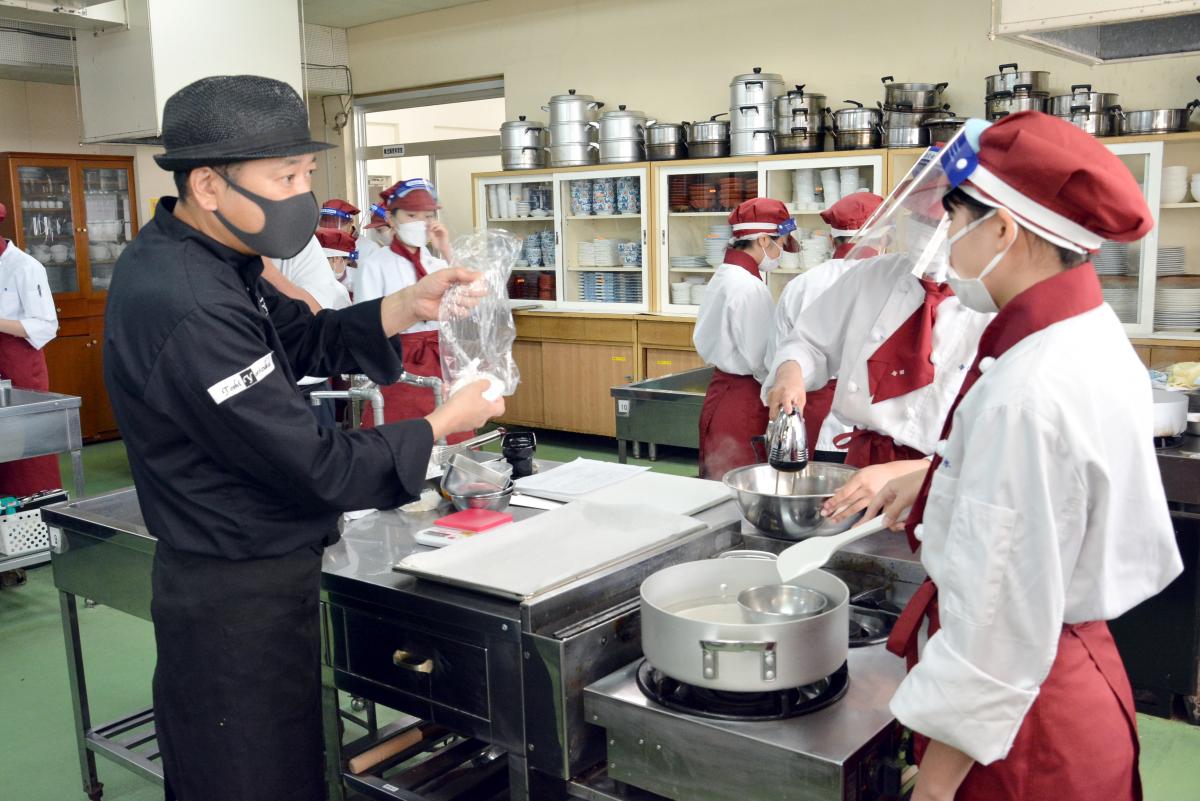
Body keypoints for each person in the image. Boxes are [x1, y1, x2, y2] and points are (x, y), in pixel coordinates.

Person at [102, 75, 503, 801]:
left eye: (306, 174)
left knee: (286, 761)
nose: (301, 195)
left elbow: (306, 337)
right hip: (229, 596)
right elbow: (317, 465)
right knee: (248, 775)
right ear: (209, 184)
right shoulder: (187, 302)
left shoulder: (217, 261)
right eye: (282, 176)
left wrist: (408, 302)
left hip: (265, 576)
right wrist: (442, 424)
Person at [863, 112, 1182, 801]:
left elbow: (996, 631)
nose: (946, 243)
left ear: (1002, 228)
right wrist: (936, 472)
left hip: (1024, 741)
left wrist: (936, 784)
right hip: (1078, 684)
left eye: (954, 222)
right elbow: (1065, 487)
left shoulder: (1026, 391)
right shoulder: (1086, 334)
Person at [763, 163, 993, 522]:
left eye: (935, 223)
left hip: (940, 478)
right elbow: (808, 340)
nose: (923, 232)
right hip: (861, 463)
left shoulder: (992, 303)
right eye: (917, 218)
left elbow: (996, 441)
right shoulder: (872, 276)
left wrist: (908, 473)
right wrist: (791, 371)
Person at [764, 192, 883, 461]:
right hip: (871, 423)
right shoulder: (893, 284)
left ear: (831, 239)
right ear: (882, 239)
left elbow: (777, 355)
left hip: (807, 419)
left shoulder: (801, 284)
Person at [355, 178, 472, 442]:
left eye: (428, 215)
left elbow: (470, 301)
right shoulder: (375, 264)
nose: (421, 222)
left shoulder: (436, 263)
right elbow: (365, 324)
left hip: (441, 360)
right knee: (403, 440)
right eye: (411, 215)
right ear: (391, 218)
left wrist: (446, 249)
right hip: (397, 362)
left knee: (450, 438)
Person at [693, 197, 793, 479]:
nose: (781, 250)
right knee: (741, 483)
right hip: (744, 401)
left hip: (721, 394)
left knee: (717, 480)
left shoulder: (725, 275)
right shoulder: (749, 288)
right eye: (781, 243)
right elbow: (762, 359)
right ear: (763, 240)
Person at [0, 200, 61, 498]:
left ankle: (38, 516)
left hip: (20, 367)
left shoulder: (25, 266)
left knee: (27, 448)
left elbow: (46, 325)